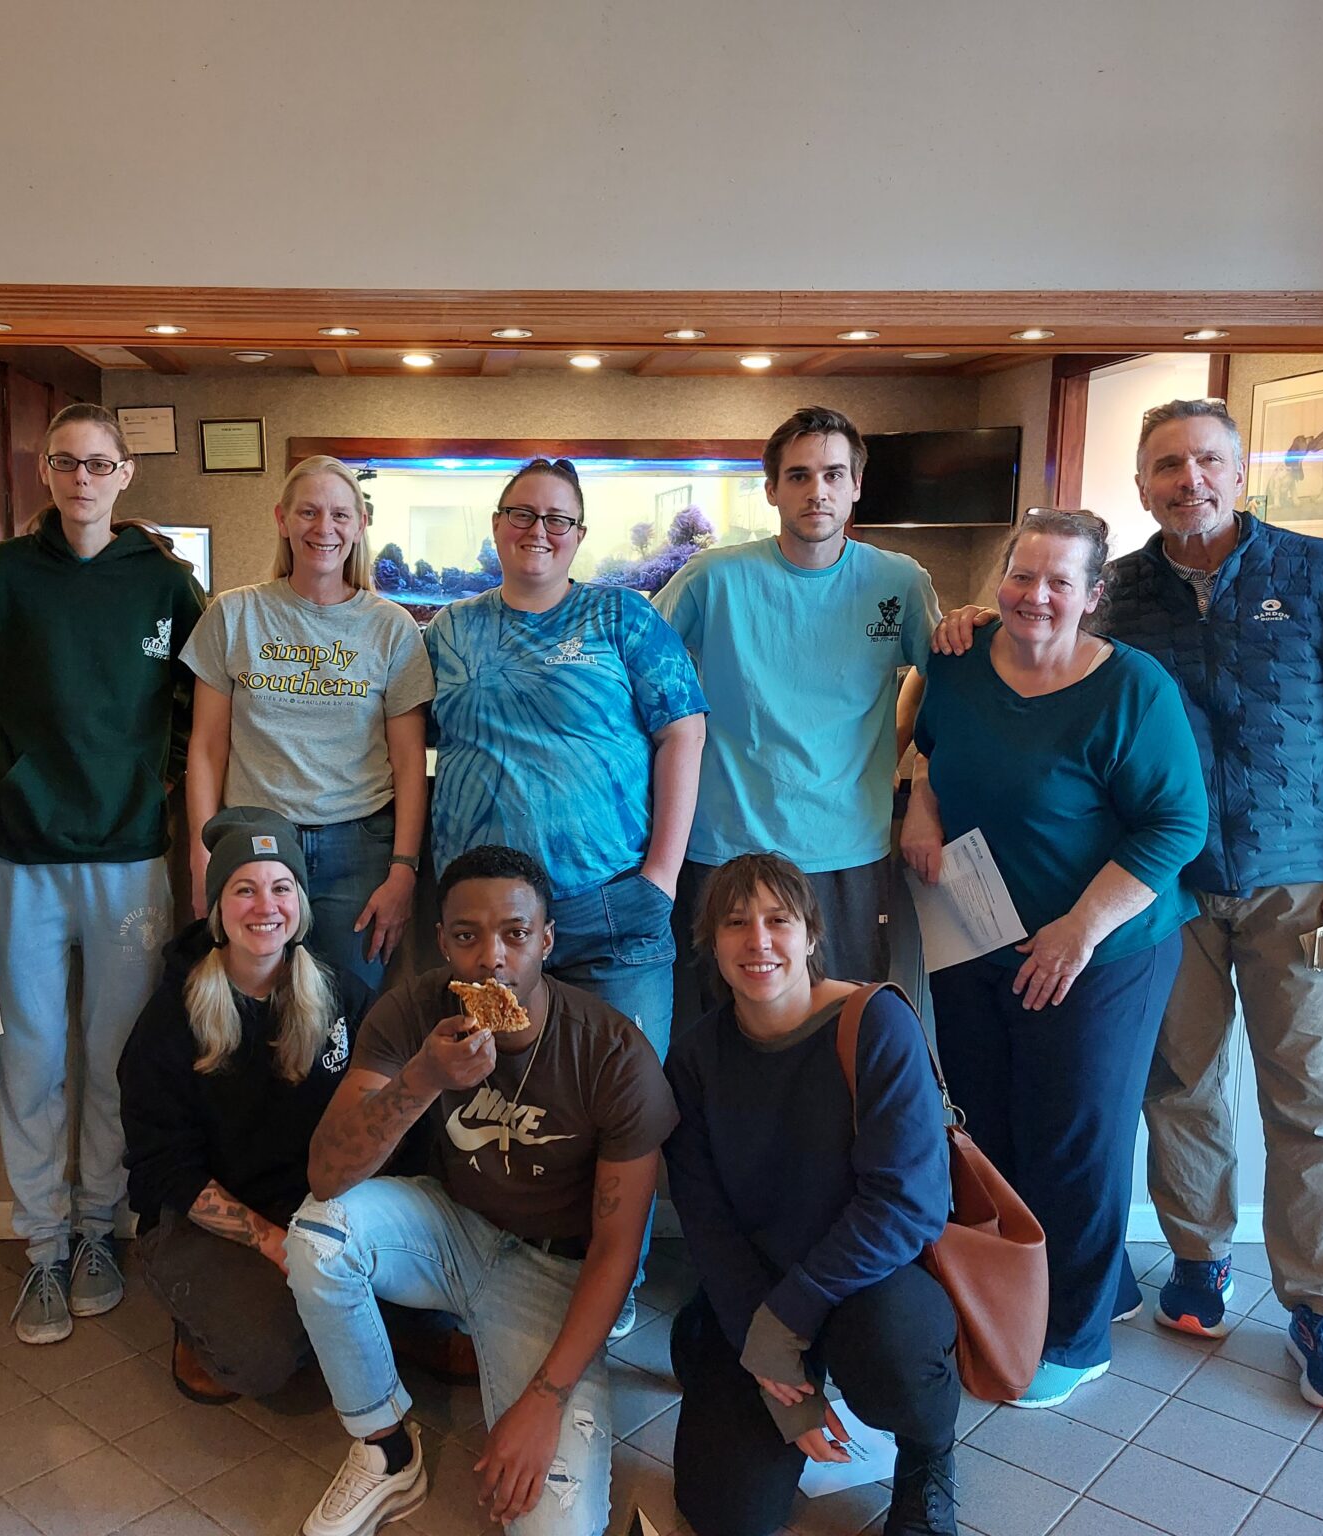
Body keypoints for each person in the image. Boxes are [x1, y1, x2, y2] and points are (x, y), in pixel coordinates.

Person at [935, 402, 1323, 1415]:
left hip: (1297, 873)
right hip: (1173, 892)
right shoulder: (1127, 592)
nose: (1185, 479)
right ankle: (1195, 1264)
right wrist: (981, 616)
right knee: (1178, 1084)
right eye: (1164, 465)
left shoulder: (1317, 576)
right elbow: (1044, 646)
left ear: (1238, 473)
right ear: (1143, 483)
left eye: (1204, 462)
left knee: (1309, 1097)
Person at [904, 509, 1206, 1409]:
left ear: (1093, 595)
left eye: (1059, 581)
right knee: (990, 1126)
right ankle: (1043, 1291)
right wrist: (922, 811)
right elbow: (930, 758)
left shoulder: (1132, 688)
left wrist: (1081, 928)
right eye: (1022, 575)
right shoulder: (958, 661)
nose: (1036, 596)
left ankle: (1073, 1334)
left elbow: (1176, 824)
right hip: (977, 929)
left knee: (1074, 1138)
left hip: (1101, 948)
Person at [285, 845, 676, 1536]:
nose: (492, 958)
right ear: (443, 941)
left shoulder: (614, 1054)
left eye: (516, 934)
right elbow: (326, 1176)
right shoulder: (415, 1011)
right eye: (467, 936)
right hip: (449, 1229)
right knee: (319, 1231)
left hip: (555, 1272)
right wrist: (423, 1078)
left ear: (547, 941)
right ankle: (385, 1448)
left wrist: (544, 1400)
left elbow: (617, 1251)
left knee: (556, 1528)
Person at [425, 456, 705, 1335]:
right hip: (490, 933)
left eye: (558, 518)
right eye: (522, 513)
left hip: (611, 905)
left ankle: (612, 1279)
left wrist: (661, 875)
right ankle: (515, 1267)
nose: (537, 530)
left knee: (621, 1101)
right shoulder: (448, 631)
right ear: (497, 523)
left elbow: (684, 731)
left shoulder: (622, 616)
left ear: (579, 534)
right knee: (506, 1097)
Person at [0, 403, 205, 1346]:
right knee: (28, 1058)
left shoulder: (165, 583)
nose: (82, 478)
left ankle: (101, 1231)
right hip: (22, 851)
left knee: (112, 1060)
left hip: (130, 852)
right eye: (66, 462)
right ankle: (43, 1248)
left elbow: (200, 701)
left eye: (99, 463)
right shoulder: (9, 574)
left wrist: (161, 776)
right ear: (45, 471)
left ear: (124, 473)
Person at [665, 853, 959, 1536]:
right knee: (726, 1512)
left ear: (811, 935)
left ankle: (930, 1455)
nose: (758, 941)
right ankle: (707, 1343)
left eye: (777, 920)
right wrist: (760, 1349)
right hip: (760, 1288)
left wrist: (785, 1321)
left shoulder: (876, 1023)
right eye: (736, 923)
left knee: (892, 1357)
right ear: (711, 941)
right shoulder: (696, 1058)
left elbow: (905, 1206)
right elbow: (707, 1224)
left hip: (872, 1286)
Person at [655, 407, 938, 994]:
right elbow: (632, 668)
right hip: (726, 844)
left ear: (857, 486)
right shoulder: (714, 577)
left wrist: (921, 789)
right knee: (719, 1027)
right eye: (800, 476)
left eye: (834, 475)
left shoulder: (899, 580)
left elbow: (945, 683)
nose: (818, 492)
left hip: (848, 848)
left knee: (842, 1020)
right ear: (772, 490)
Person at [119, 806, 374, 1402]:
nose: (266, 907)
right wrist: (273, 1244)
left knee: (398, 1304)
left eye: (282, 887)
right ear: (216, 909)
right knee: (264, 1360)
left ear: (301, 903)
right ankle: (197, 1319)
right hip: (204, 1218)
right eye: (244, 889)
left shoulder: (342, 994)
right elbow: (164, 1169)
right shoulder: (171, 1017)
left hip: (314, 1207)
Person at [182, 455, 433, 991]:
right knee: (254, 1011)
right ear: (282, 519)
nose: (325, 528)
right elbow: (205, 748)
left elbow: (410, 762)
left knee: (349, 1017)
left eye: (340, 515)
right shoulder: (233, 615)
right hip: (254, 846)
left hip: (360, 849)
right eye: (309, 512)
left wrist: (404, 868)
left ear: (361, 524)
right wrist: (203, 854)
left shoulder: (392, 629)